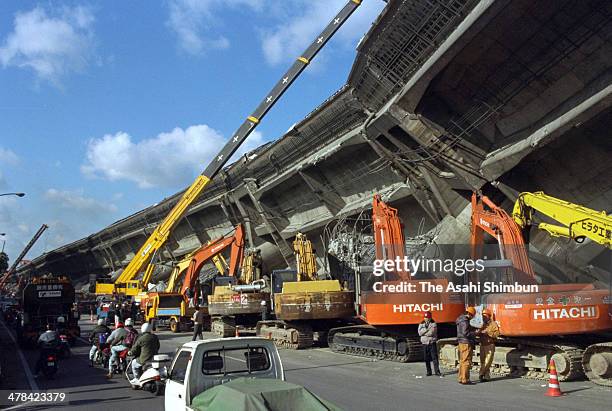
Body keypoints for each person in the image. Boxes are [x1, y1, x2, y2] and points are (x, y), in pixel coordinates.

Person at [477, 308, 499, 382]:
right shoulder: (481, 324)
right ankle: (486, 376)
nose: (484, 318)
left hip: (489, 345)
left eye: (485, 316)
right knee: (483, 361)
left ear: (489, 316)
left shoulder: (493, 324)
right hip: (482, 344)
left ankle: (481, 374)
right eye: (483, 316)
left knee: (488, 361)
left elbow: (496, 334)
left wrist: (488, 333)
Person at [456, 306, 477, 385]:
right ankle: (465, 379)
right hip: (466, 342)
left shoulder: (460, 319)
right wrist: (475, 333)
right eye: (473, 316)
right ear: (470, 314)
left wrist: (473, 328)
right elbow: (466, 333)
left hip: (461, 342)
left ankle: (461, 377)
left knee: (462, 361)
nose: (472, 318)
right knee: (466, 361)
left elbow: (465, 329)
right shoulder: (465, 321)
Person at [418, 311, 441, 376]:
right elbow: (419, 333)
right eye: (425, 317)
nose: (426, 319)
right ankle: (429, 371)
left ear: (430, 318)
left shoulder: (433, 324)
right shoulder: (421, 324)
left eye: (427, 317)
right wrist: (427, 330)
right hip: (424, 343)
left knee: (434, 358)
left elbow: (431, 333)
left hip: (431, 342)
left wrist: (424, 332)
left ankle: (437, 371)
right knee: (426, 358)